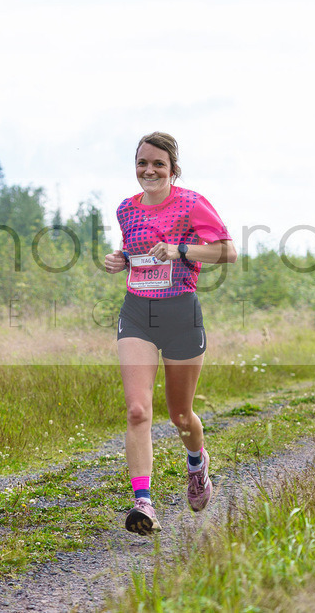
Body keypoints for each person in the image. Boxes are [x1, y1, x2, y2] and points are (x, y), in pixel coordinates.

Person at [104, 132, 236, 536]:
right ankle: (143, 501)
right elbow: (136, 251)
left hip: (181, 313)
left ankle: (197, 464)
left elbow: (228, 251)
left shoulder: (192, 203)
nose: (150, 170)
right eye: (143, 163)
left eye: (159, 163)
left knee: (180, 415)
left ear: (173, 169)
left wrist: (182, 250)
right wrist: (121, 259)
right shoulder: (126, 209)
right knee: (138, 410)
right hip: (137, 312)